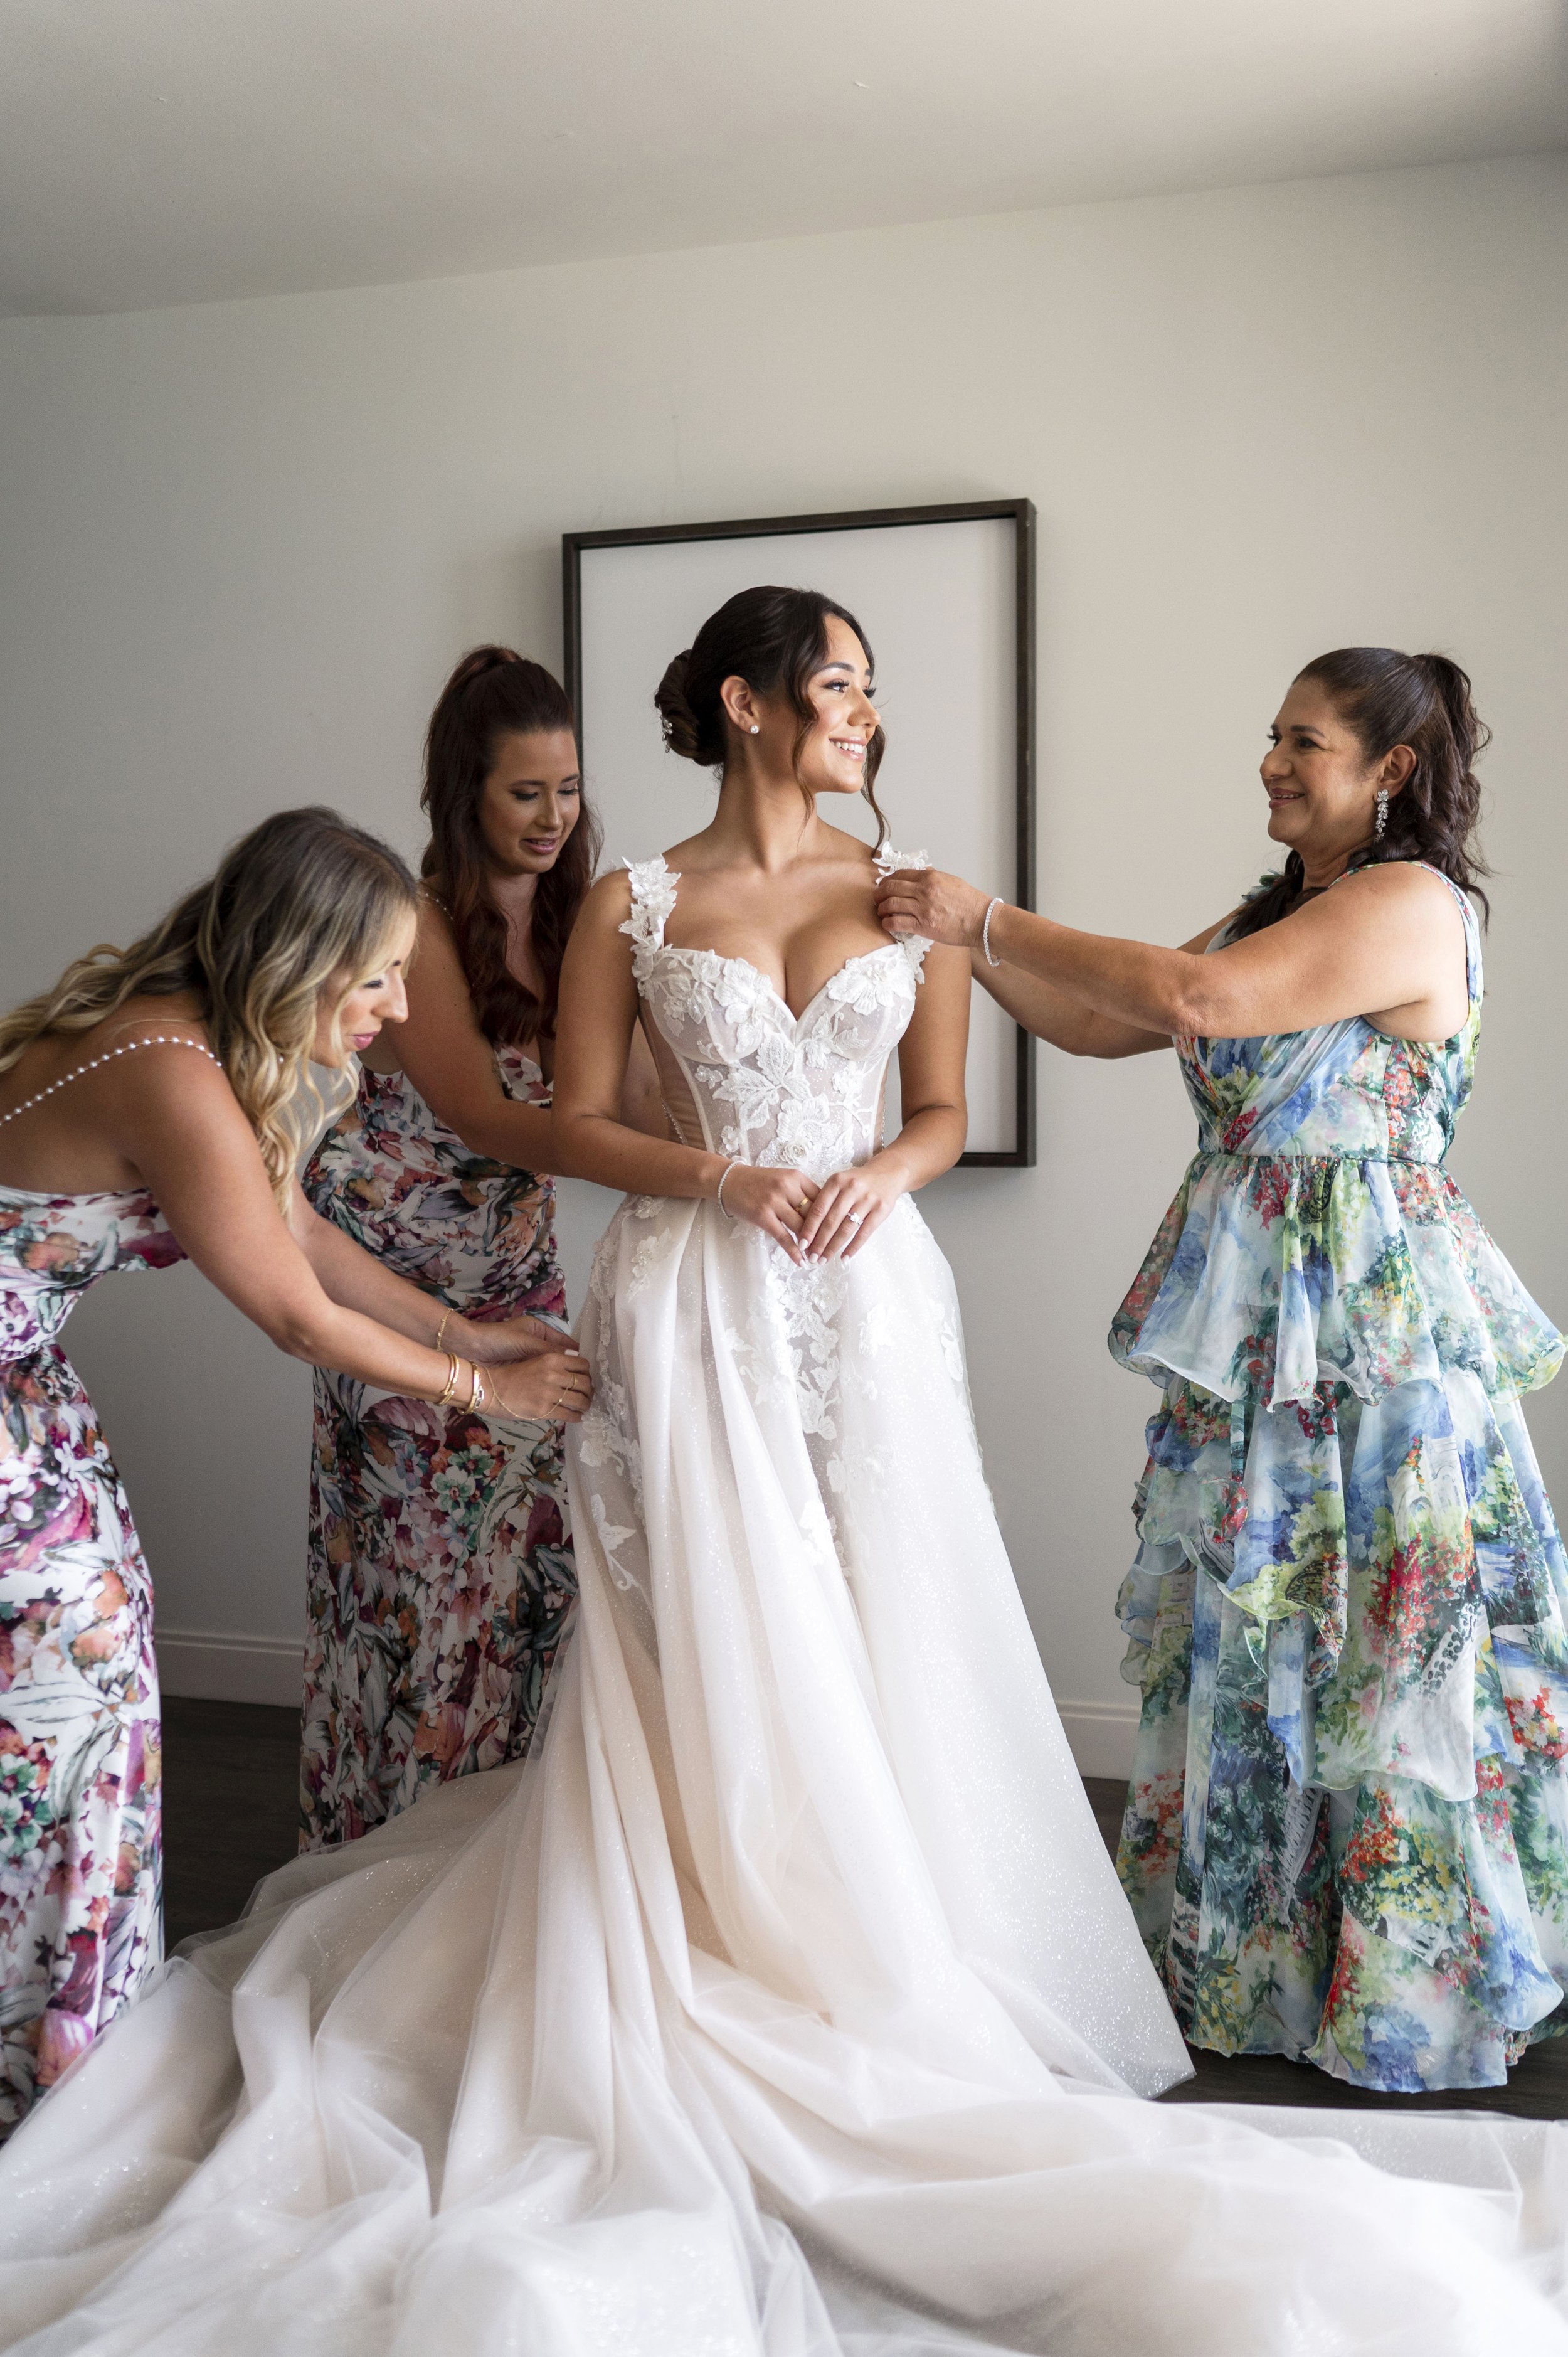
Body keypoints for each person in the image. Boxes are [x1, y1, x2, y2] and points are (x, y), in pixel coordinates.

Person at [8, 609, 1568, 2356]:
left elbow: (994, 1083)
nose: (868, 714)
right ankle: (756, 1932)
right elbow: (609, 1116)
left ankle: (1132, 1960)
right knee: (726, 1643)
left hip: (967, 1310)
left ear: (1393, 769)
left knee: (964, 1629)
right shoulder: (641, 901)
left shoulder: (1101, 899)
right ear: (746, 705)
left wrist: (910, 1087)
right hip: (698, 1291)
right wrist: (741, 1166)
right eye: (841, 683)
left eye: (1301, 741)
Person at [875, 647, 1568, 2097]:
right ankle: (1258, 1970)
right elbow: (1095, 1017)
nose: (1270, 760)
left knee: (1380, 1649)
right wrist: (945, 942)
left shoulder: (1403, 900)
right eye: (1269, 735)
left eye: (1301, 742)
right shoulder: (1285, 910)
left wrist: (983, 911)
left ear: (1387, 770)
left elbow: (1190, 997)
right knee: (1263, 1641)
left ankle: (1396, 1987)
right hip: (1268, 1348)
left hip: (1368, 1349)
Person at [0, 806, 590, 2138]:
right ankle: (54, 2065)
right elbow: (295, 1315)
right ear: (295, 958)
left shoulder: (185, 1039)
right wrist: (488, 1389)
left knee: (97, 1694)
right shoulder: (166, 1064)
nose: (395, 1005)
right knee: (72, 1698)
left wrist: (464, 1326)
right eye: (376, 974)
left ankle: (59, 2037)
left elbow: (301, 1231)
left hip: (23, 1385)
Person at [299, 649, 596, 1849]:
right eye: (526, 792)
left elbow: (609, 1086)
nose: (552, 816)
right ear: (464, 791)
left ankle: (504, 1867)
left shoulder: (588, 917)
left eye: (568, 788)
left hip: (522, 1275)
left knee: (533, 1584)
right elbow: (483, 1115)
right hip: (396, 1289)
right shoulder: (415, 922)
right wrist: (691, 1171)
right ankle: (389, 1867)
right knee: (417, 1597)